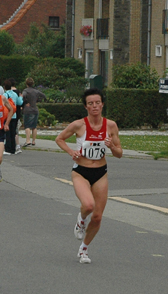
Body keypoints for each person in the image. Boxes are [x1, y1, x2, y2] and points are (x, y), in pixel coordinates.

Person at [55, 88, 122, 264]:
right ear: (86, 106)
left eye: (97, 103)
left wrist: (112, 147)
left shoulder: (111, 126)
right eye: (90, 103)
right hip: (81, 172)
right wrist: (71, 152)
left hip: (100, 173)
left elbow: (119, 153)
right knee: (88, 205)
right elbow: (59, 139)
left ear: (102, 104)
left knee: (98, 216)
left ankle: (84, 249)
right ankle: (81, 220)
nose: (94, 106)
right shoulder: (79, 125)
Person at [22, 77, 46, 147]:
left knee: (27, 126)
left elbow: (23, 96)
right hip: (35, 109)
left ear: (26, 83)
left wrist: (26, 102)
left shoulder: (26, 91)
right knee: (34, 126)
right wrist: (37, 100)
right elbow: (43, 96)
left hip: (28, 110)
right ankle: (33, 141)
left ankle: (28, 140)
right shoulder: (36, 91)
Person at [3, 79, 23, 155]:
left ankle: (7, 149)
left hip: (7, 115)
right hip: (14, 115)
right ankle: (13, 149)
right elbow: (19, 102)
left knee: (7, 132)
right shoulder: (15, 94)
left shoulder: (5, 95)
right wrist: (21, 97)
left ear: (4, 87)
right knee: (13, 132)